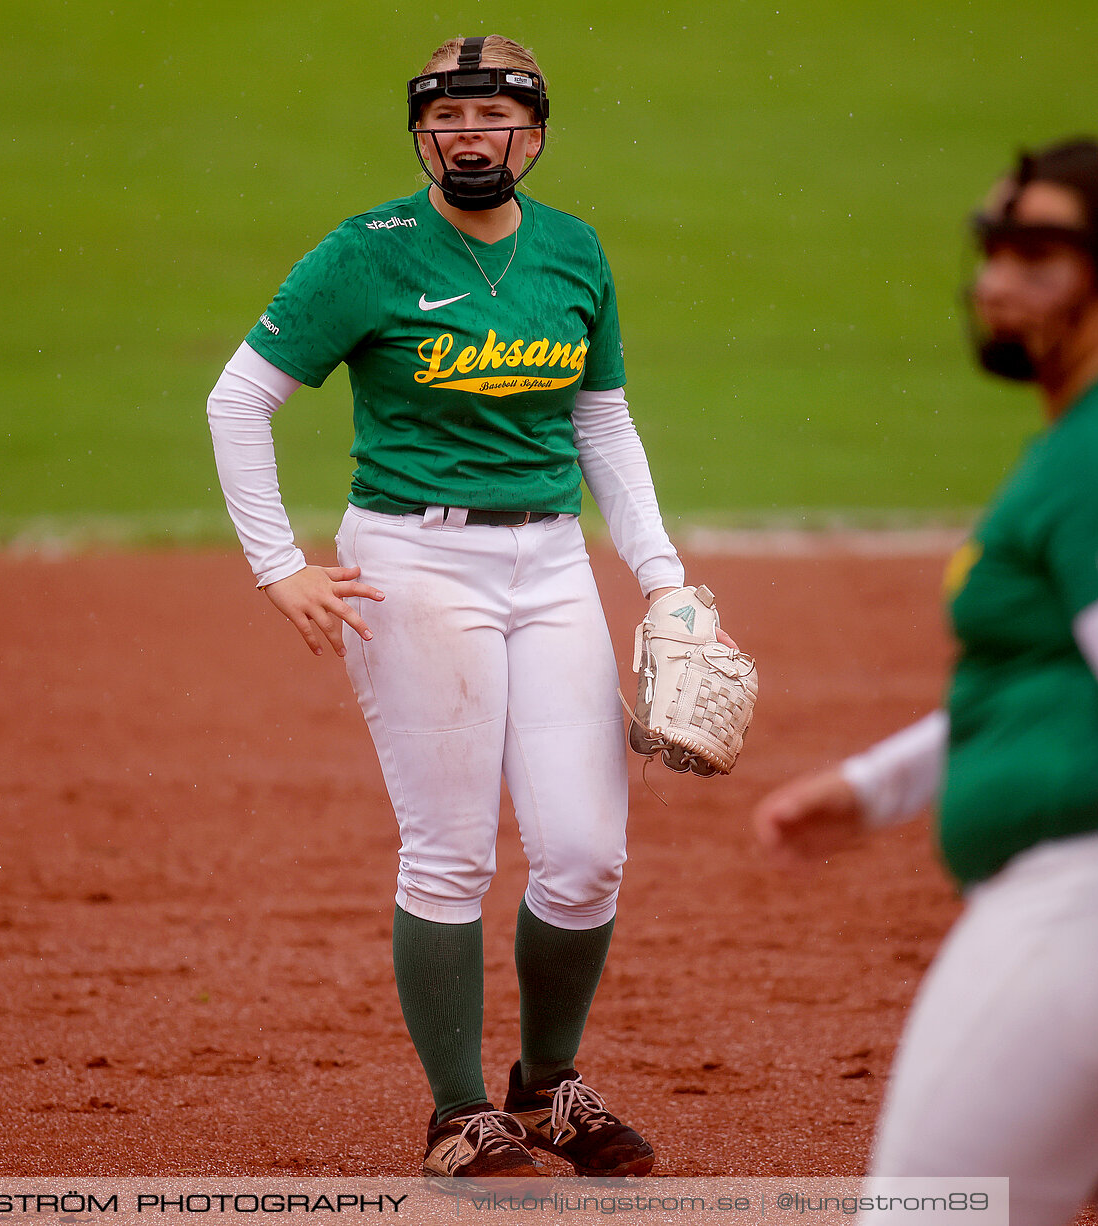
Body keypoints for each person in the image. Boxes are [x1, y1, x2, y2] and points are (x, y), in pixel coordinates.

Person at [751, 138, 1098, 1225]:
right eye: (996, 249)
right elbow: (1073, 680)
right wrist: (881, 786)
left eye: (1041, 253)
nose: (1001, 280)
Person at [207, 35, 728, 1178]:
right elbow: (238, 399)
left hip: (549, 566)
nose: (469, 135)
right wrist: (275, 562)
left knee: (587, 851)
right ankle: (456, 1113)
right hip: (414, 560)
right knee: (448, 852)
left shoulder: (574, 253)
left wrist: (664, 576)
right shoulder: (368, 253)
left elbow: (602, 422)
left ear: (533, 135)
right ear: (421, 135)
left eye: (493, 116)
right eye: (447, 118)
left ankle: (546, 1088)